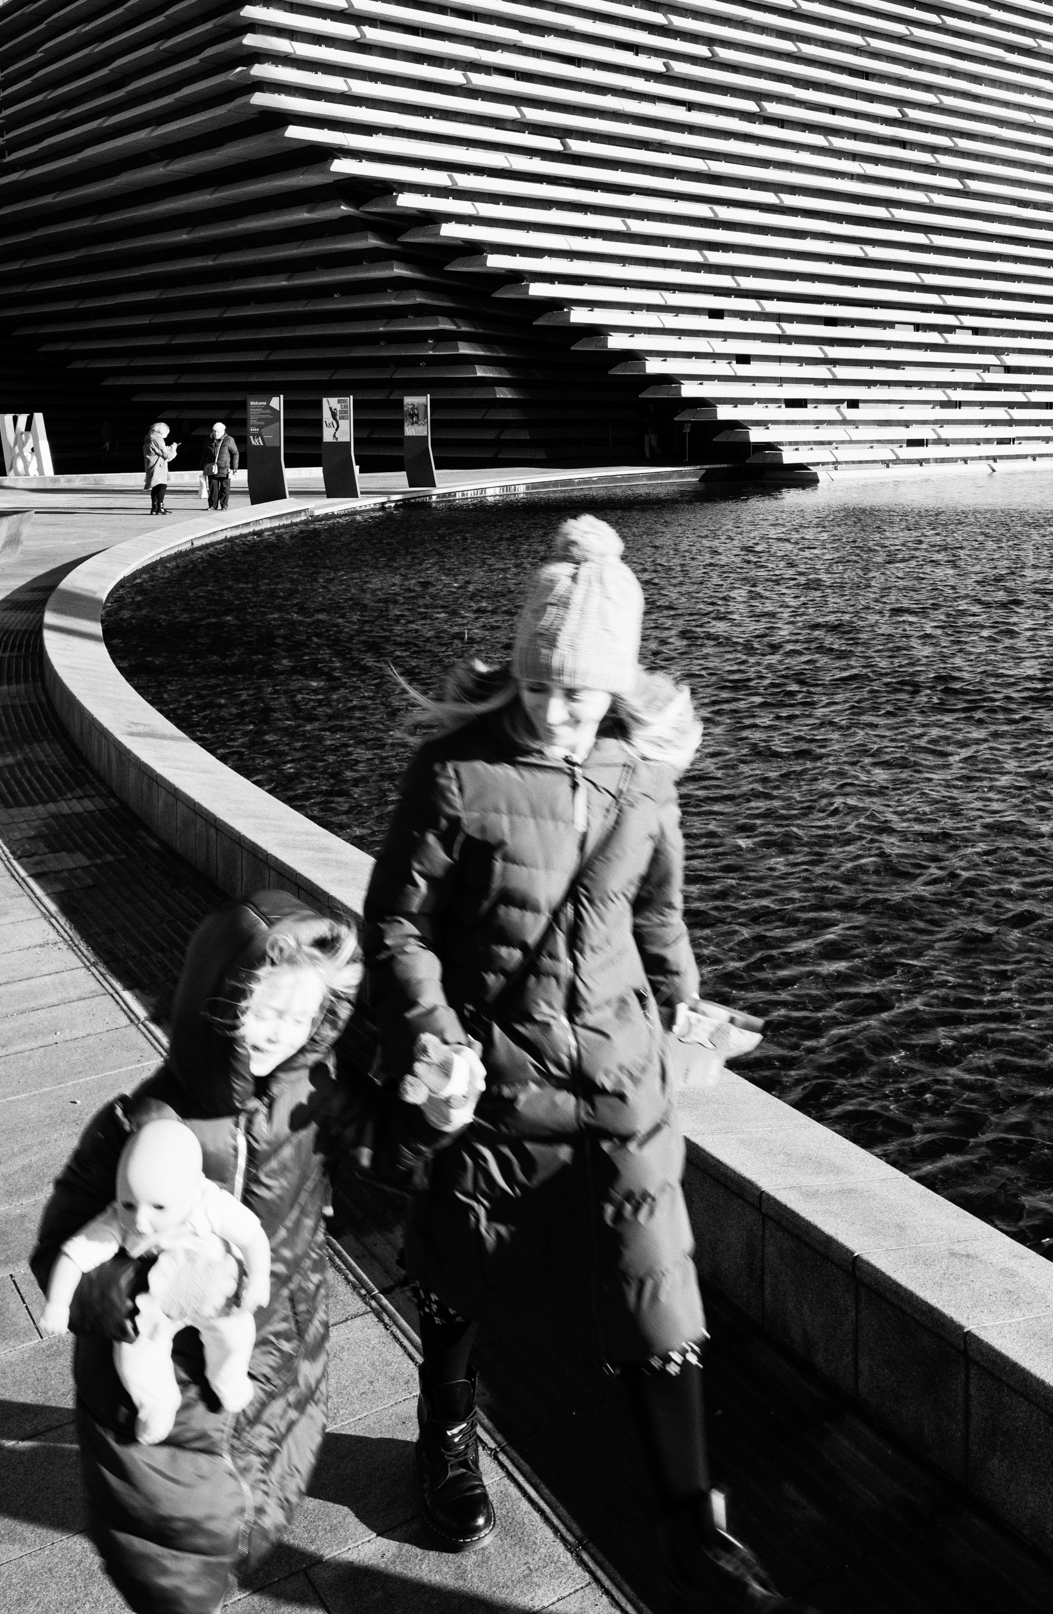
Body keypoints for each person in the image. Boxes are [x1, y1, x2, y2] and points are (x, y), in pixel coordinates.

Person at [363, 515, 806, 1614]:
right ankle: (447, 1428)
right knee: (461, 1262)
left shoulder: (643, 778)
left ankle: (693, 1532)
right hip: (490, 1070)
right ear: (516, 668)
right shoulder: (454, 772)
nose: (558, 712)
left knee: (658, 1281)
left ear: (617, 686)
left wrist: (685, 1002)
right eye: (541, 687)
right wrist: (432, 1030)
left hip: (618, 1073)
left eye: (581, 693)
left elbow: (657, 912)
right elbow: (397, 925)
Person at [31, 894, 362, 1614]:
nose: (278, 1033)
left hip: (272, 1342)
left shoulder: (314, 1102)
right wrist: (130, 1292)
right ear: (219, 1002)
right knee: (173, 1547)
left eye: (299, 1018)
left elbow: (381, 1168)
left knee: (256, 1494)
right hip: (159, 1365)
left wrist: (434, 1118)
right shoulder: (142, 1121)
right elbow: (61, 1242)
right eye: (263, 1011)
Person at [40, 1117, 272, 1445]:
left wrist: (259, 1277)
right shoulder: (119, 1221)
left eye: (158, 1207)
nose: (141, 1220)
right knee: (135, 1356)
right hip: (156, 1306)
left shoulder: (208, 1203)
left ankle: (228, 1377)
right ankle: (157, 1403)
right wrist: (58, 1302)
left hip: (216, 1294)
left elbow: (252, 1236)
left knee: (237, 1336)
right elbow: (75, 1255)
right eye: (129, 1204)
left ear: (192, 1188)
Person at [202, 420, 240, 512]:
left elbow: (235, 453)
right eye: (214, 431)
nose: (216, 434)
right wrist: (202, 467)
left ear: (223, 431)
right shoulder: (208, 439)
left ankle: (224, 505)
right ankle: (212, 505)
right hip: (212, 468)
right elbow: (204, 453)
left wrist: (234, 468)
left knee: (225, 488)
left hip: (224, 468)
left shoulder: (229, 439)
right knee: (212, 488)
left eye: (218, 431)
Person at [144, 421, 178, 516]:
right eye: (167, 432)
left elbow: (157, 451)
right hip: (159, 465)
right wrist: (173, 448)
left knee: (155, 486)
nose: (167, 434)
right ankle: (160, 507)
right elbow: (166, 454)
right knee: (162, 485)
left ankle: (154, 507)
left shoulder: (149, 437)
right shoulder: (157, 439)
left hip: (151, 463)